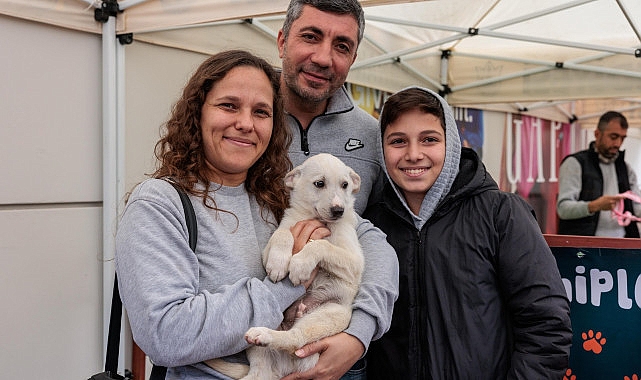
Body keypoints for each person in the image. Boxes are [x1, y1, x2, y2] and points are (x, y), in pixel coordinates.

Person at [115, 50, 397, 380]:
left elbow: (377, 248)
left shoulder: (277, 194)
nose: (246, 123)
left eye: (261, 112)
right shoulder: (159, 204)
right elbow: (165, 336)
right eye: (229, 105)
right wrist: (289, 284)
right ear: (198, 113)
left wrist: (357, 334)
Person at [363, 87, 573, 379]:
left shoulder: (501, 213)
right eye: (398, 141)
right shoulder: (370, 225)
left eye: (429, 139)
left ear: (452, 145)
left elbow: (546, 325)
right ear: (381, 148)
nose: (413, 154)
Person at [276, 1, 399, 379]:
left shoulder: (373, 136)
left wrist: (358, 334)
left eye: (342, 46)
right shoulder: (250, 121)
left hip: (336, 353)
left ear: (354, 56)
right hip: (253, 342)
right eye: (310, 36)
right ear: (282, 40)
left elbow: (382, 240)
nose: (324, 57)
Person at [557, 110, 641, 238]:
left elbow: (637, 208)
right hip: (586, 248)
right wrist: (594, 206)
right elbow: (563, 209)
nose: (618, 143)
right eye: (613, 137)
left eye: (622, 138)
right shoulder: (575, 163)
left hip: (622, 247)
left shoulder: (625, 168)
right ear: (597, 134)